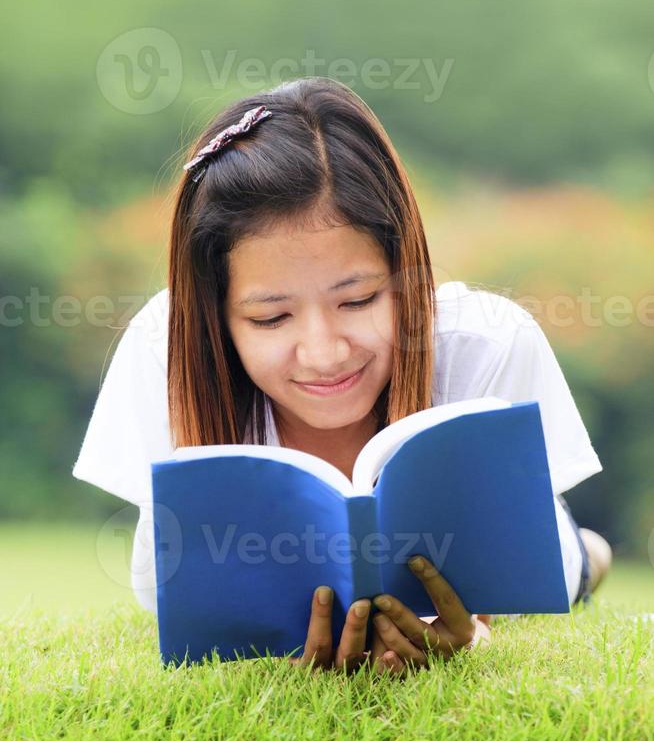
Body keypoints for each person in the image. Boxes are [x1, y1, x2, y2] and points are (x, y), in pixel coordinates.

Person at [72, 76, 612, 676]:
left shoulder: (485, 341)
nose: (325, 353)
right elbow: (163, 591)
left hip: (547, 554)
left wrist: (475, 628)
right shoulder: (165, 348)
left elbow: (518, 575)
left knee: (575, 564)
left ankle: (595, 552)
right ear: (216, 316)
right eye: (270, 317)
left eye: (357, 301)